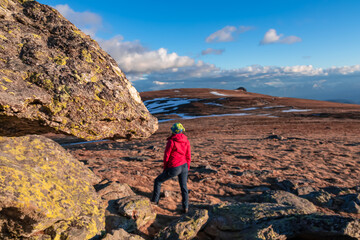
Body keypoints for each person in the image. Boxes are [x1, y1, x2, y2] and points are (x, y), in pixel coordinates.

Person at [151, 123, 191, 213]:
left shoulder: (171, 141)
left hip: (174, 167)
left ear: (173, 131)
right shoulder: (186, 140)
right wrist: (187, 166)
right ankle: (185, 207)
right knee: (184, 187)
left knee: (158, 181)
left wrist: (165, 168)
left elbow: (167, 156)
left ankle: (154, 202)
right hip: (184, 166)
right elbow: (188, 155)